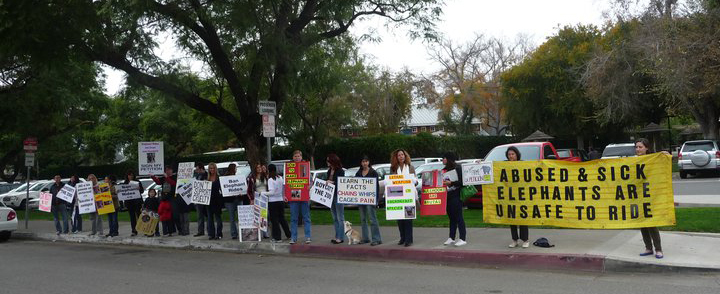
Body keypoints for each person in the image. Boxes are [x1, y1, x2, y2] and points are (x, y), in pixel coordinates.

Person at [636, 138, 668, 259]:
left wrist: (664, 154)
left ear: (647, 148)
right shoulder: (633, 161)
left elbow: (665, 160)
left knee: (652, 223)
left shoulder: (653, 159)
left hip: (651, 195)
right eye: (637, 147)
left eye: (640, 147)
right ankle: (648, 248)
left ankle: (658, 249)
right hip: (638, 195)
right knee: (643, 223)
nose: (638, 149)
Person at [390, 149, 416, 247]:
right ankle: (403, 237)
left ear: (405, 156)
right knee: (400, 218)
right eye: (399, 155)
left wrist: (414, 181)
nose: (401, 156)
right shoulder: (393, 168)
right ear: (396, 157)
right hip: (397, 196)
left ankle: (409, 239)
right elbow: (390, 180)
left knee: (408, 218)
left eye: (402, 154)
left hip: (408, 196)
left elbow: (415, 180)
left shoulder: (410, 167)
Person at [441, 152, 467, 247]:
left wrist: (451, 183)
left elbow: (462, 182)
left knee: (459, 217)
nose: (442, 160)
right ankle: (451, 237)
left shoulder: (458, 168)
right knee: (451, 217)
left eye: (444, 158)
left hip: (456, 195)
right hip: (447, 196)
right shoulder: (443, 170)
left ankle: (462, 238)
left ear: (449, 159)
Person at [506, 146, 530, 248]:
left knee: (522, 217)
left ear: (517, 155)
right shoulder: (504, 165)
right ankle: (514, 240)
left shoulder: (523, 164)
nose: (511, 156)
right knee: (512, 218)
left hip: (522, 195)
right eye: (509, 154)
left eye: (513, 154)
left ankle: (525, 240)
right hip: (510, 195)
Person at [355, 156, 382, 246]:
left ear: (369, 162)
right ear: (361, 163)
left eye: (366, 161)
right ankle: (365, 238)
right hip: (361, 199)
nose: (364, 163)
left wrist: (376, 200)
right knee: (363, 219)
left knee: (372, 219)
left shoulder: (373, 172)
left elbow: (377, 187)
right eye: (363, 161)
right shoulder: (358, 173)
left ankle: (377, 239)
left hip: (371, 199)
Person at [288, 150, 312, 244]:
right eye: (295, 156)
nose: (297, 158)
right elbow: (286, 183)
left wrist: (309, 186)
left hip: (304, 194)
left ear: (301, 157)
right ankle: (293, 237)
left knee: (306, 217)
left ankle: (308, 237)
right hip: (294, 194)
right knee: (294, 218)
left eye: (298, 156)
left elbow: (310, 181)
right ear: (293, 157)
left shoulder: (304, 166)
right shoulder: (289, 167)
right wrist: (285, 195)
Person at [263, 164, 291, 242]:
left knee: (274, 220)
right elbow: (283, 189)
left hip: (273, 202)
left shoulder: (270, 180)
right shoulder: (280, 178)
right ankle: (288, 234)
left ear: (269, 170)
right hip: (280, 200)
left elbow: (271, 192)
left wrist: (263, 193)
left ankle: (277, 237)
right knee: (282, 218)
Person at [152, 166, 179, 234]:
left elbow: (173, 183)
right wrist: (153, 177)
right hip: (165, 198)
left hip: (173, 197)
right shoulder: (163, 178)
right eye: (166, 170)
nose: (167, 171)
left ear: (172, 170)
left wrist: (167, 177)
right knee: (167, 214)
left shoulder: (174, 177)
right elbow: (158, 182)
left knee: (175, 214)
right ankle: (171, 230)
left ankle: (179, 229)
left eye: (169, 170)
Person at [325, 153, 346, 244]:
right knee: (334, 217)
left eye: (328, 160)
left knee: (340, 217)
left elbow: (341, 184)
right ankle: (337, 235)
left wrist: (331, 182)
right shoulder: (329, 171)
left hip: (338, 196)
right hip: (330, 196)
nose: (327, 162)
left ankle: (340, 237)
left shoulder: (341, 171)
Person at [123, 170, 145, 236]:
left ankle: (143, 229)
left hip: (137, 202)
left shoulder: (137, 182)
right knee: (132, 217)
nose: (130, 176)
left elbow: (142, 191)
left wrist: (139, 188)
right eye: (129, 175)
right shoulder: (125, 183)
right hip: (129, 202)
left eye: (132, 175)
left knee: (140, 216)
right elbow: (123, 192)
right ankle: (134, 231)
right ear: (127, 176)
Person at [207, 162, 224, 240]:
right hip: (208, 201)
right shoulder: (207, 178)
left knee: (218, 218)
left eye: (213, 168)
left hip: (217, 200)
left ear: (215, 169)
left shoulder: (219, 178)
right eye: (210, 168)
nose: (212, 170)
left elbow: (223, 189)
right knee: (210, 218)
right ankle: (211, 234)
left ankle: (219, 234)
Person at [223, 163, 240, 240]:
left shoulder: (237, 177)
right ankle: (234, 234)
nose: (236, 169)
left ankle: (240, 232)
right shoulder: (226, 178)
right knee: (232, 218)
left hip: (238, 198)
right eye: (235, 168)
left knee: (240, 217)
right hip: (229, 200)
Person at [193, 163, 208, 237]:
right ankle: (200, 231)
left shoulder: (207, 175)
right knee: (199, 216)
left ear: (202, 169)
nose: (196, 171)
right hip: (199, 199)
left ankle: (209, 230)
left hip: (205, 198)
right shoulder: (198, 176)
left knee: (208, 215)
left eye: (198, 169)